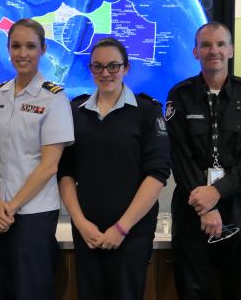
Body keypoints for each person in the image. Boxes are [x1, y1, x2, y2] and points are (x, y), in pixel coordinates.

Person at [58, 38, 170, 300]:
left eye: (113, 66)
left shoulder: (147, 111)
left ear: (126, 68)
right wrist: (80, 223)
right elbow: (65, 173)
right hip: (88, 230)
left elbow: (157, 175)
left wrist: (121, 228)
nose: (105, 73)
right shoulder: (75, 111)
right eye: (97, 66)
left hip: (132, 231)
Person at [166, 22, 241, 299]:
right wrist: (205, 205)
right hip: (192, 203)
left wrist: (217, 192)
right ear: (195, 52)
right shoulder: (180, 95)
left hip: (239, 202)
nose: (214, 51)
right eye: (206, 45)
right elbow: (179, 156)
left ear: (231, 50)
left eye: (221, 44)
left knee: (239, 286)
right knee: (193, 288)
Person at [0, 18, 74, 300]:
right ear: (8, 49)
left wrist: (11, 207)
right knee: (5, 289)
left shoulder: (54, 99)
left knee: (32, 291)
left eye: (31, 46)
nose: (23, 53)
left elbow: (50, 166)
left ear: (43, 49)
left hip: (33, 214)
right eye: (16, 46)